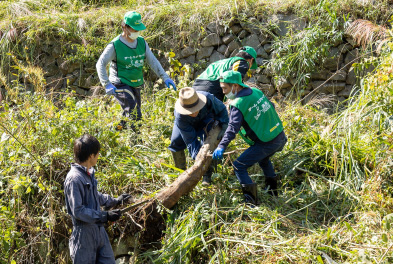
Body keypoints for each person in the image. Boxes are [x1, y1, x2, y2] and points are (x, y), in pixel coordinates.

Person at [212, 71, 287, 205]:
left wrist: (221, 146)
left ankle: (251, 202)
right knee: (263, 160)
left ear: (235, 86)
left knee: (238, 166)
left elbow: (232, 129)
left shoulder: (238, 104)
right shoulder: (255, 92)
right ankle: (273, 191)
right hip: (279, 135)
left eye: (225, 88)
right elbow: (272, 106)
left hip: (267, 142)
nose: (223, 92)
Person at [96, 11, 176, 131]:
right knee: (134, 113)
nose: (136, 32)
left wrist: (165, 77)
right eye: (134, 29)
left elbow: (152, 61)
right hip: (120, 82)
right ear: (125, 27)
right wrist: (107, 84)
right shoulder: (115, 45)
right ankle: (136, 141)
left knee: (129, 112)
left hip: (135, 82)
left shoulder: (141, 42)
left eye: (138, 29)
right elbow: (100, 63)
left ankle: (114, 132)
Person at [64, 134, 132, 263]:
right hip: (83, 236)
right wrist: (104, 216)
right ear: (91, 156)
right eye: (97, 153)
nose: (98, 156)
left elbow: (95, 196)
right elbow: (78, 211)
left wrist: (116, 200)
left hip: (99, 231)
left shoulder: (88, 173)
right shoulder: (74, 179)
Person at [168, 87, 229, 185]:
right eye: (191, 111)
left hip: (205, 119)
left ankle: (207, 174)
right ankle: (181, 174)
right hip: (187, 124)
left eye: (196, 109)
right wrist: (198, 159)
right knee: (175, 141)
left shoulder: (208, 98)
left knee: (207, 140)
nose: (194, 113)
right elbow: (191, 141)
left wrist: (225, 123)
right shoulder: (180, 118)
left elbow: (221, 109)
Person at [192, 46, 258, 101]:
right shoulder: (242, 62)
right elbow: (235, 82)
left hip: (194, 90)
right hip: (210, 91)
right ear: (251, 60)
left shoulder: (221, 62)